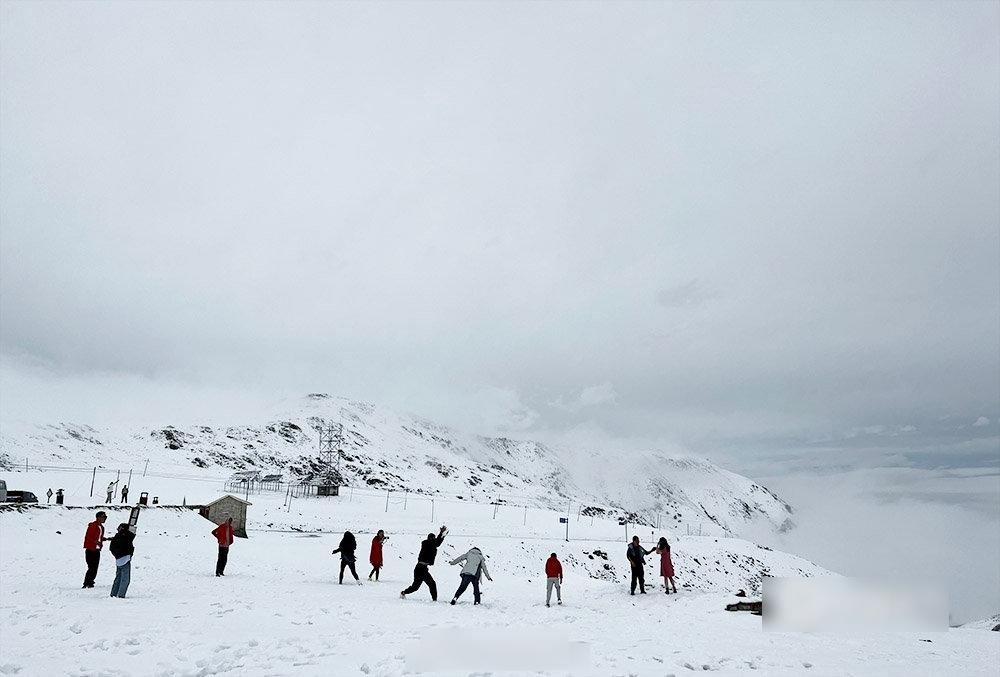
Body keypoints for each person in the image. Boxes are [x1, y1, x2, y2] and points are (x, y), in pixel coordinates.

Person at [400, 525, 447, 601]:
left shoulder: (432, 544)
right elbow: (437, 543)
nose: (433, 539)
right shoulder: (426, 544)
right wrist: (441, 534)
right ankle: (404, 592)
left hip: (422, 568)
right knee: (424, 585)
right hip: (420, 569)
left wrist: (441, 534)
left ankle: (404, 592)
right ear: (429, 539)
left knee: (420, 586)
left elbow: (437, 543)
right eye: (432, 538)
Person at [82, 511, 109, 588]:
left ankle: (90, 582)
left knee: (95, 567)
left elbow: (98, 537)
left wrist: (104, 539)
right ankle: (87, 583)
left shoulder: (102, 527)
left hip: (97, 550)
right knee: (91, 567)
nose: (105, 519)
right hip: (90, 549)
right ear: (98, 517)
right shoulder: (93, 526)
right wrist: (96, 542)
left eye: (105, 517)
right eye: (104, 517)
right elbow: (88, 537)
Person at [109, 523, 135, 598]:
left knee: (118, 578)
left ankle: (113, 594)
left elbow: (111, 548)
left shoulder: (116, 537)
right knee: (125, 579)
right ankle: (121, 595)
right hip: (125, 559)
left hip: (118, 560)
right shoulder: (127, 537)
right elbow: (132, 535)